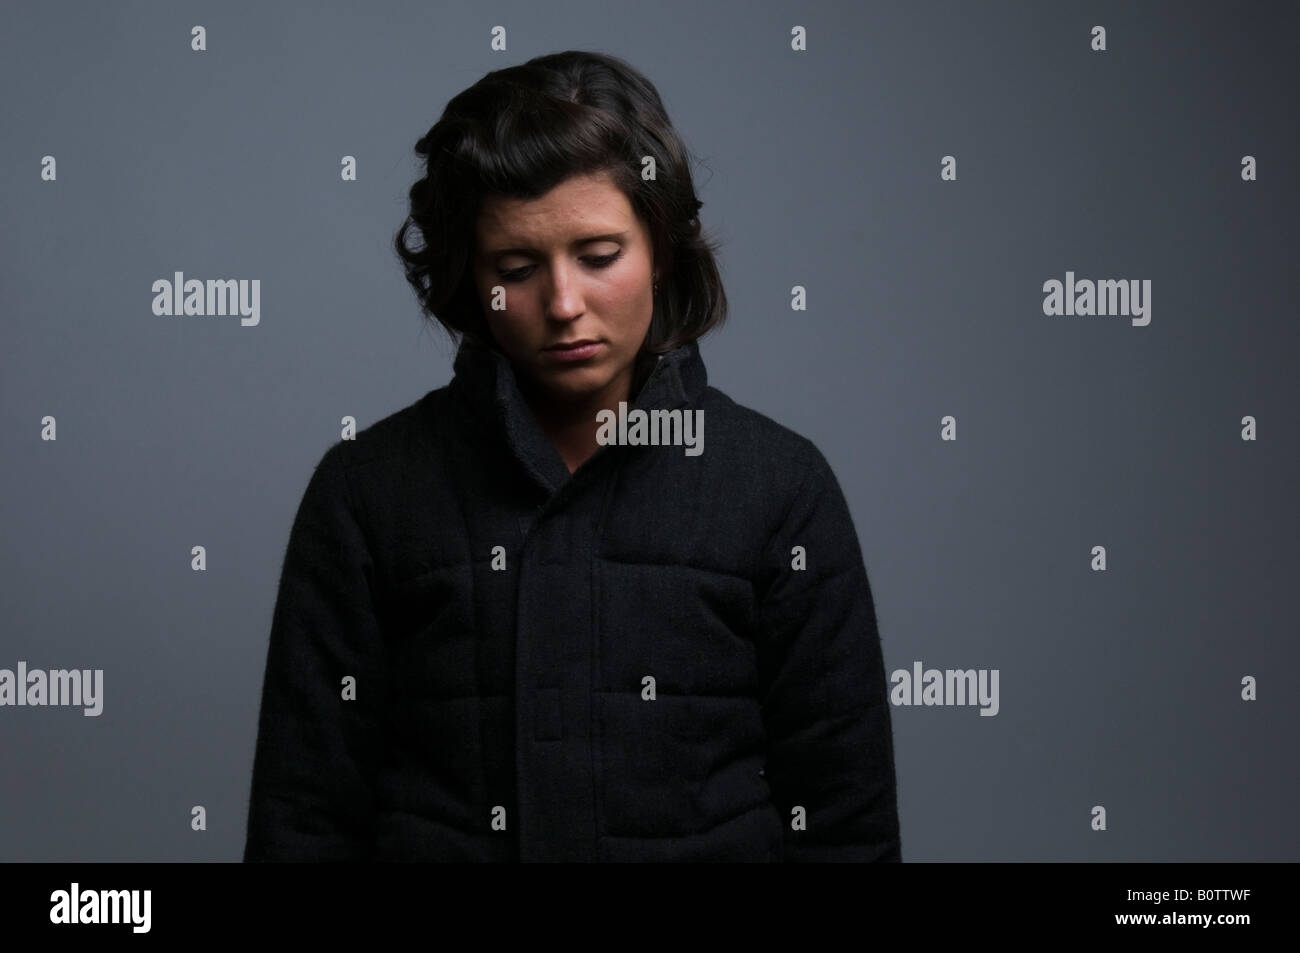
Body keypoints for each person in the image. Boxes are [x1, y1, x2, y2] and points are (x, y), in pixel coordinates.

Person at [243, 49, 901, 862]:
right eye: (515, 269)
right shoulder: (365, 492)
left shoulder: (781, 488)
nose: (562, 304)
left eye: (599, 256)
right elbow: (302, 819)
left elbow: (846, 825)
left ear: (661, 248)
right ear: (468, 277)